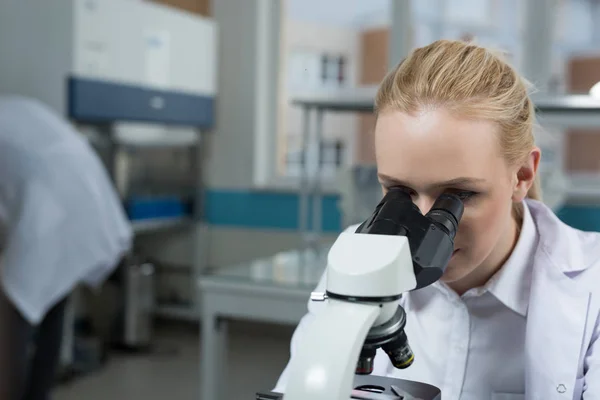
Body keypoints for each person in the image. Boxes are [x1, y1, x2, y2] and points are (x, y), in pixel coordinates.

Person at [274, 40, 600, 399]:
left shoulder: (593, 288)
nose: (426, 226)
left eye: (458, 196)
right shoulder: (359, 255)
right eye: (400, 191)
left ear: (521, 175)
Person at [0, 96, 133, 400]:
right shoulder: (10, 109)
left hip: (50, 195)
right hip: (78, 184)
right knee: (52, 300)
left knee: (15, 309)